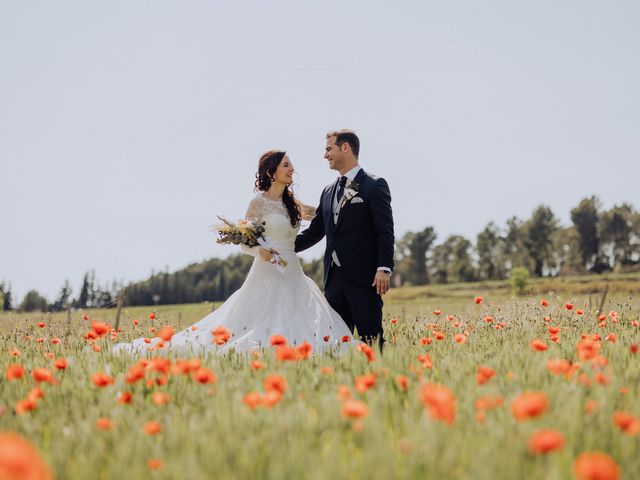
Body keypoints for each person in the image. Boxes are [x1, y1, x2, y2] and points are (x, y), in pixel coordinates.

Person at [113, 150, 355, 355]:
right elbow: (245, 239)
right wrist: (260, 251)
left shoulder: (294, 204)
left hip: (293, 270)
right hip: (268, 269)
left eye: (291, 165)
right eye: (286, 165)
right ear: (271, 172)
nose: (292, 169)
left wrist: (347, 200)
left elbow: (324, 212)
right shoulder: (258, 203)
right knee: (264, 315)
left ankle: (303, 348)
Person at [295, 130, 394, 350]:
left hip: (365, 279)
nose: (325, 155)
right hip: (333, 282)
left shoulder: (374, 185)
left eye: (329, 149)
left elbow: (385, 230)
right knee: (335, 345)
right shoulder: (328, 191)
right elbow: (315, 232)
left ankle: (380, 380)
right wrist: (282, 247)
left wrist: (384, 267)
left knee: (372, 341)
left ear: (345, 147)